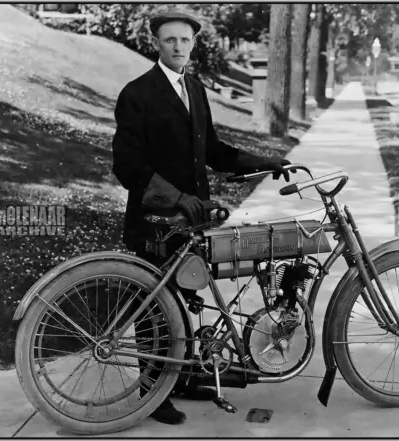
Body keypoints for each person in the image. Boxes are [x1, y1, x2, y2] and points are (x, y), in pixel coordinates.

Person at [111, 9, 293, 425]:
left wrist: (262, 161)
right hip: (155, 220)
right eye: (170, 40)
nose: (178, 47)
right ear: (156, 43)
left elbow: (213, 149)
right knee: (154, 306)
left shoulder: (194, 88)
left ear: (193, 44)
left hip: (191, 223)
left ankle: (185, 378)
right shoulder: (137, 93)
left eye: (185, 40)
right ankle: (153, 392)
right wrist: (176, 197)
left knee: (187, 299)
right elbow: (127, 166)